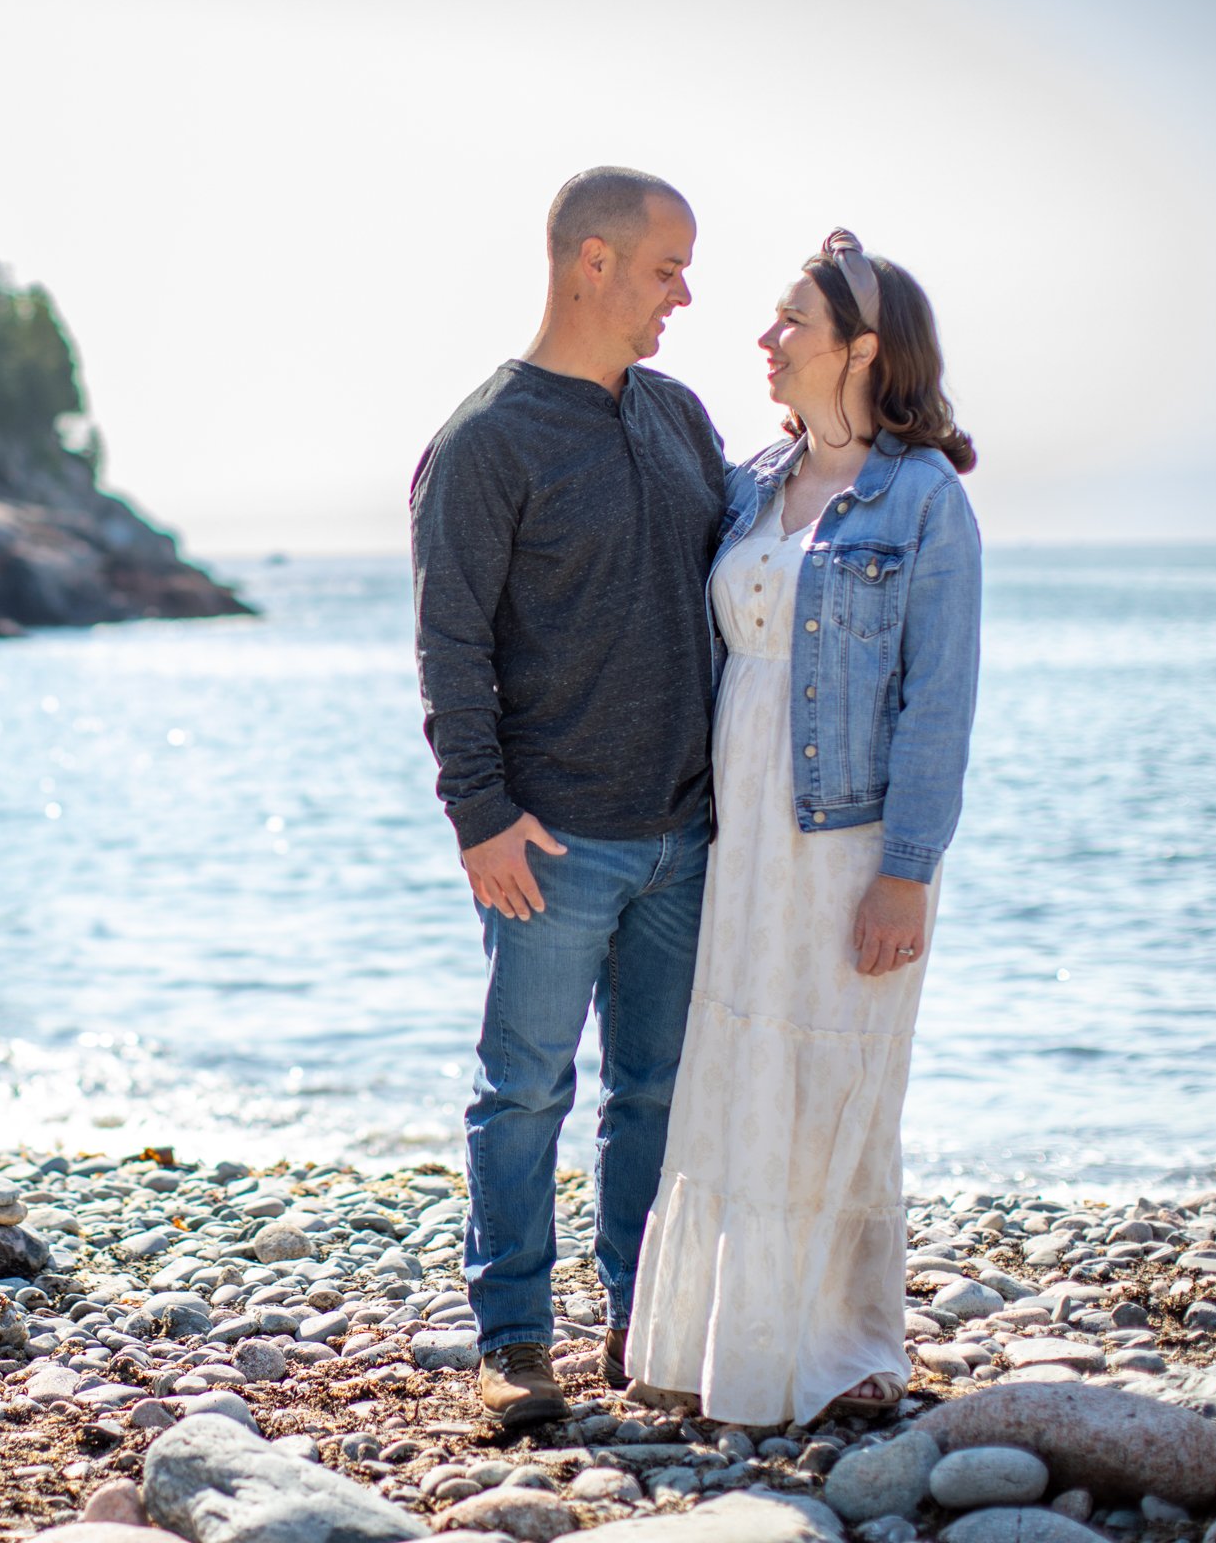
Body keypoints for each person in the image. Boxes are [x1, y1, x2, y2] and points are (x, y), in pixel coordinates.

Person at [623, 229, 982, 1424]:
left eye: (793, 325)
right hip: (740, 837)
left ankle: (834, 1346)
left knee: (838, 1079)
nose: (765, 340)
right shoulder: (755, 482)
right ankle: (721, 1341)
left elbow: (940, 699)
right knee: (737, 1067)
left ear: (862, 350)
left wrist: (907, 876)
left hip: (847, 840)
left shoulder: (925, 501)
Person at [408, 167, 729, 1430]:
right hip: (551, 841)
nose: (684, 294)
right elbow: (450, 644)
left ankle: (638, 1322)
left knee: (654, 1089)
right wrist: (479, 815)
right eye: (666, 268)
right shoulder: (486, 440)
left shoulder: (681, 417)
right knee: (526, 1089)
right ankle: (515, 1343)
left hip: (685, 835)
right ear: (591, 262)